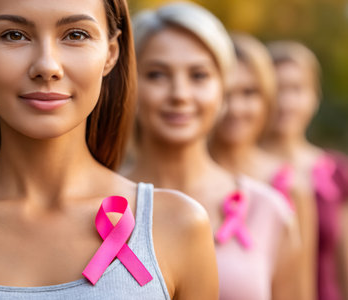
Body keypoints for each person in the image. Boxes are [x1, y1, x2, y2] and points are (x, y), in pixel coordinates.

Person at [0, 0, 219, 299]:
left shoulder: (179, 226)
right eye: (14, 35)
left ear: (111, 53)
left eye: (76, 34)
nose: (47, 65)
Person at [124, 2, 298, 299]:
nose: (180, 94)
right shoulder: (95, 207)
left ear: (222, 87)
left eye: (199, 76)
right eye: (156, 75)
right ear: (129, 83)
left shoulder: (269, 211)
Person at [208, 33, 312, 299]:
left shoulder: (291, 187)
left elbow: (300, 290)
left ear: (267, 97)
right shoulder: (184, 180)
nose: (236, 108)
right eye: (226, 93)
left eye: (249, 93)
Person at [263, 40, 348, 300]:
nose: (286, 102)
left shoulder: (336, 171)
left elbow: (343, 260)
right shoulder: (241, 173)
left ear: (315, 96)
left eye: (297, 89)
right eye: (277, 90)